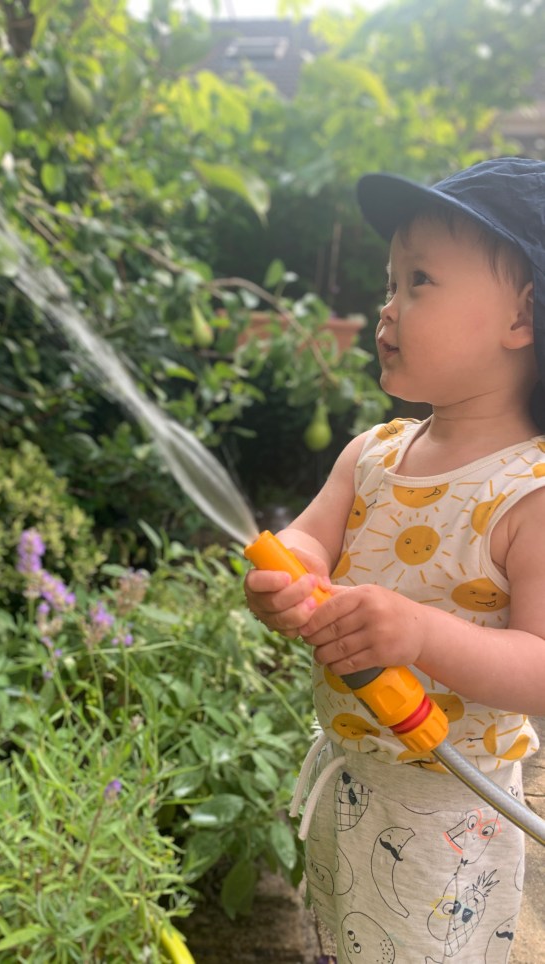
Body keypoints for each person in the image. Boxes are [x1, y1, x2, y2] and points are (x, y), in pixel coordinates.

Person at [244, 157, 545, 963]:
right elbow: (311, 542)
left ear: (521, 316)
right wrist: (285, 574)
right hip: (349, 781)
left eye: (418, 281)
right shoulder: (373, 454)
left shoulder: (529, 493)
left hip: (448, 813)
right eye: (389, 281)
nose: (386, 307)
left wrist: (418, 635)